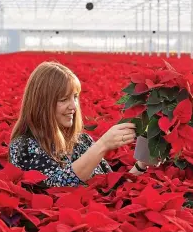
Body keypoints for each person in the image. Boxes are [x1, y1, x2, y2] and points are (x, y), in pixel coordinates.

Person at [8, 61, 150, 187]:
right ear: (41, 104)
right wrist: (102, 145)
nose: (73, 107)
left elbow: (111, 189)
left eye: (75, 97)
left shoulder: (83, 142)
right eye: (64, 99)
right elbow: (58, 184)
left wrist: (142, 164)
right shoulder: (23, 146)